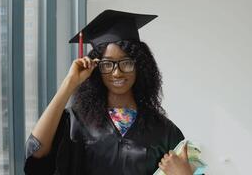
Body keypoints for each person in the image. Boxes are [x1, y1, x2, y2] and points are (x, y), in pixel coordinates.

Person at [24, 10, 194, 175]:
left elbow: (192, 167)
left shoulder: (163, 130)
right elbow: (35, 155)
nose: (117, 73)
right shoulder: (76, 121)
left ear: (140, 66)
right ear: (97, 69)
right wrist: (69, 83)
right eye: (107, 64)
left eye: (126, 63)